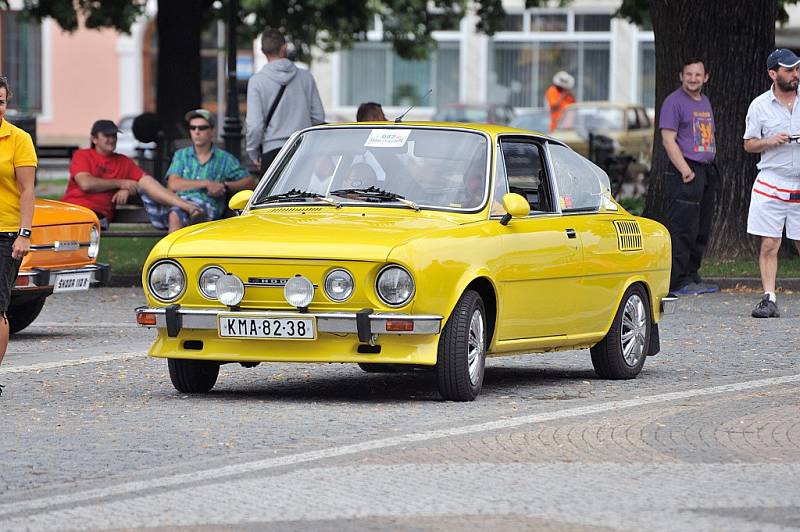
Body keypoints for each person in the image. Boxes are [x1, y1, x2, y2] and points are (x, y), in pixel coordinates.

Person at [61, 120, 204, 233]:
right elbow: (86, 184)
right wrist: (122, 183)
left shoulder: (124, 162)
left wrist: (127, 189)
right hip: (70, 210)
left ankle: (190, 208)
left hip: (96, 216)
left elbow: (146, 183)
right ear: (94, 139)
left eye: (114, 135)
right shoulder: (82, 155)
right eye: (106, 136)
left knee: (147, 181)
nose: (111, 139)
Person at [743, 48, 800, 318]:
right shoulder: (759, 105)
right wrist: (770, 140)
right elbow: (749, 144)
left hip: (799, 182)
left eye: (797, 69)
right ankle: (769, 298)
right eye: (789, 70)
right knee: (770, 243)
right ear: (773, 73)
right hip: (771, 181)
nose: (795, 74)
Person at [659, 58, 719, 296]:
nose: (693, 78)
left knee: (701, 227)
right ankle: (676, 281)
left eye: (698, 75)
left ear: (706, 77)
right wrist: (685, 169)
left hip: (706, 171)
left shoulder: (704, 101)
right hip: (686, 171)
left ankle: (692, 276)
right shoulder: (673, 102)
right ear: (681, 76)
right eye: (689, 74)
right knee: (683, 227)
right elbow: (667, 138)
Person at [246, 28, 325, 176]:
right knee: (301, 198)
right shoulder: (306, 77)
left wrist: (253, 151)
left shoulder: (257, 82)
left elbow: (255, 125)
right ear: (284, 48)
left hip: (272, 153)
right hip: (303, 150)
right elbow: (319, 117)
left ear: (263, 51)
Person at [0, 76, 36, 395]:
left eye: (1, 101)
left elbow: (27, 191)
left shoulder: (18, 139)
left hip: (6, 232)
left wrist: (24, 233)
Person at [166, 109, 255, 232]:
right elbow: (173, 184)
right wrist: (206, 183)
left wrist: (225, 186)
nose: (197, 132)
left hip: (208, 207)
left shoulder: (225, 159)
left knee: (176, 216)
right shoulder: (181, 155)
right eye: (193, 127)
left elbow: (250, 182)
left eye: (202, 128)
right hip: (181, 204)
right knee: (175, 214)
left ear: (212, 131)